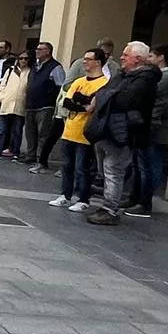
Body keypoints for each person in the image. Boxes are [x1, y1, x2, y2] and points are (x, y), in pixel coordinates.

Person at [85, 41, 158, 226]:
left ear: (137, 59)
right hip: (106, 130)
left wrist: (106, 96)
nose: (121, 57)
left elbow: (123, 100)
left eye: (126, 55)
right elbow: (102, 92)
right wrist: (106, 95)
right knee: (105, 171)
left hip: (122, 133)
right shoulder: (122, 75)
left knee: (113, 171)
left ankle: (110, 209)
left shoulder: (146, 79)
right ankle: (107, 205)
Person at [47, 48, 108, 213]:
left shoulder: (104, 83)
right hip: (69, 129)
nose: (84, 62)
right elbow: (67, 102)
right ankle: (65, 195)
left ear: (98, 62)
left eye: (88, 59)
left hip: (86, 132)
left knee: (82, 168)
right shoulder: (78, 81)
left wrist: (81, 100)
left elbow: (94, 105)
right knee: (67, 166)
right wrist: (84, 103)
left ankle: (83, 199)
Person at [130, 44, 168, 217]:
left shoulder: (165, 78)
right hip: (152, 126)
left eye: (151, 56)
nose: (148, 59)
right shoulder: (163, 76)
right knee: (140, 164)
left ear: (161, 58)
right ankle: (135, 197)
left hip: (157, 130)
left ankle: (144, 202)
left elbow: (156, 103)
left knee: (149, 166)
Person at [21, 41, 65, 174]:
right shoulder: (35, 66)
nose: (37, 51)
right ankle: (30, 157)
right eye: (37, 49)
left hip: (45, 106)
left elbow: (61, 86)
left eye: (40, 49)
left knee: (43, 134)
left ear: (48, 51)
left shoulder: (55, 67)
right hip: (31, 105)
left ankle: (41, 160)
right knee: (30, 133)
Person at [0, 52, 29, 159]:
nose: (23, 60)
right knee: (2, 130)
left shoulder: (30, 72)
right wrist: (1, 97)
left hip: (20, 105)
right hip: (6, 103)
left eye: (26, 58)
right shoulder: (10, 70)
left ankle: (15, 152)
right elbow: (2, 85)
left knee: (17, 130)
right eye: (21, 58)